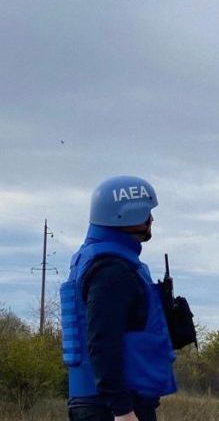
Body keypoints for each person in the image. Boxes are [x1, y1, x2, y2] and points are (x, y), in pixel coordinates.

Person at [61, 176, 177, 421]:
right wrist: (122, 411)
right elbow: (102, 341)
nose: (152, 220)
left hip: (106, 403)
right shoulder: (111, 269)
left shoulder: (107, 261)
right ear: (126, 214)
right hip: (110, 407)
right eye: (147, 213)